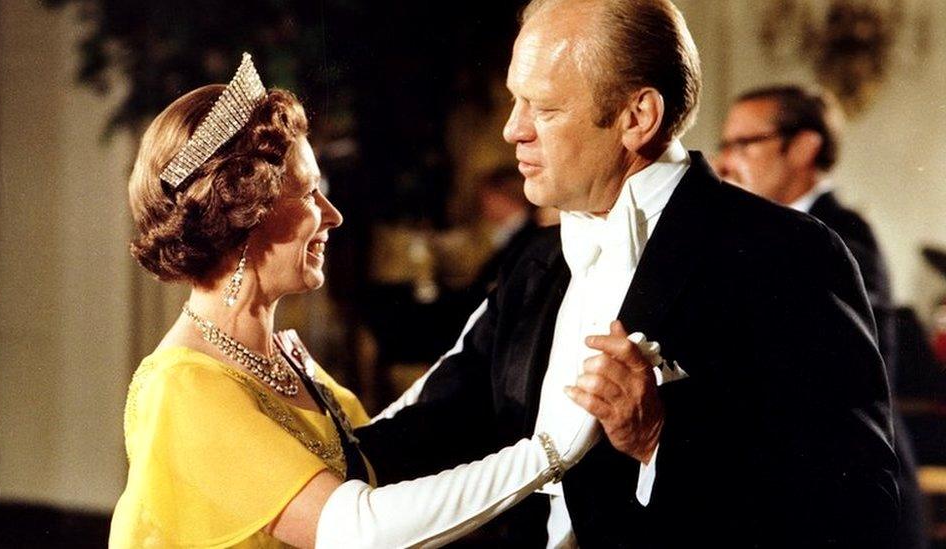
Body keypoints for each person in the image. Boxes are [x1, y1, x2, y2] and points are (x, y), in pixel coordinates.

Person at [357, 1, 901, 547]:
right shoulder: (537, 262)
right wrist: (291, 445)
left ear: (637, 118)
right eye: (516, 101)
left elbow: (858, 503)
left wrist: (660, 438)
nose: (511, 130)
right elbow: (439, 423)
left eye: (542, 108)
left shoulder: (787, 254)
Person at [108, 53, 604, 549]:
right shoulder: (181, 386)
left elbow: (381, 460)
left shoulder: (280, 358)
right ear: (243, 213)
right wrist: (550, 453)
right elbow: (360, 530)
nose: (333, 215)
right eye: (308, 193)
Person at [717, 84, 926, 548]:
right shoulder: (771, 234)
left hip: (850, 510)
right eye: (724, 145)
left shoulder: (842, 237)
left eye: (744, 144)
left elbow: (838, 384)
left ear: (804, 147)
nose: (724, 163)